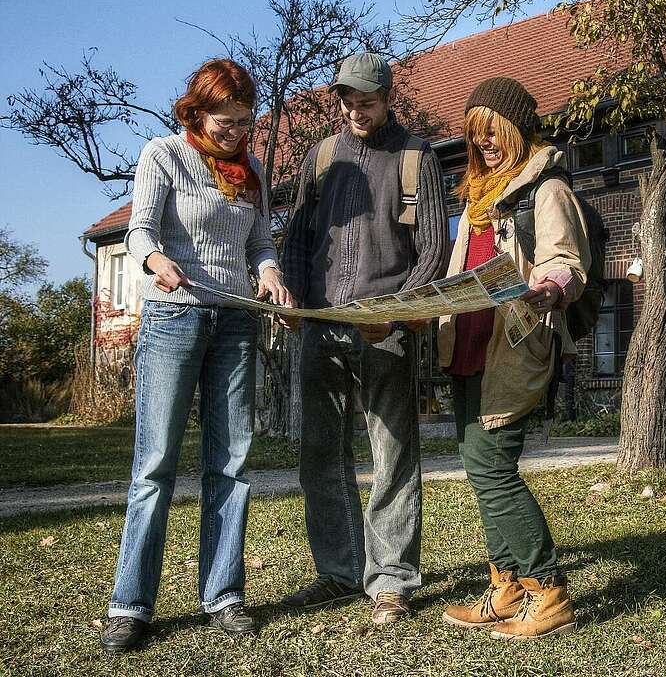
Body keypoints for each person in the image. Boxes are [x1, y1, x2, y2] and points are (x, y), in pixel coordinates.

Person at [102, 59, 292, 653]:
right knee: (155, 462)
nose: (235, 133)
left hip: (235, 320)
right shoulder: (163, 155)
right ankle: (130, 605)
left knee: (231, 463)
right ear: (196, 112)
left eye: (243, 122)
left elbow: (259, 240)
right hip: (175, 316)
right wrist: (156, 261)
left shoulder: (253, 171)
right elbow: (138, 232)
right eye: (223, 121)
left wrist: (270, 273)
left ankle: (224, 597)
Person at [279, 53, 449, 625]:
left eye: (366, 101)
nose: (355, 110)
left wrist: (399, 315)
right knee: (321, 455)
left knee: (392, 453)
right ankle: (340, 571)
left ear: (387, 98)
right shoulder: (321, 158)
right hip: (322, 325)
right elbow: (298, 241)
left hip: (385, 331)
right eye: (348, 101)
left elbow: (431, 249)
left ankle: (392, 581)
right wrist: (292, 301)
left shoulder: (416, 157)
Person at [438, 77, 589, 640]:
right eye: (476, 136)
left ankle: (547, 591)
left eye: (494, 133)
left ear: (518, 130)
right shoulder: (480, 198)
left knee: (495, 471)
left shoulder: (544, 189)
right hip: (468, 345)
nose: (486, 145)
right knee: (482, 473)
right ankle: (507, 586)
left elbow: (563, 259)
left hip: (512, 346)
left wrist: (549, 285)